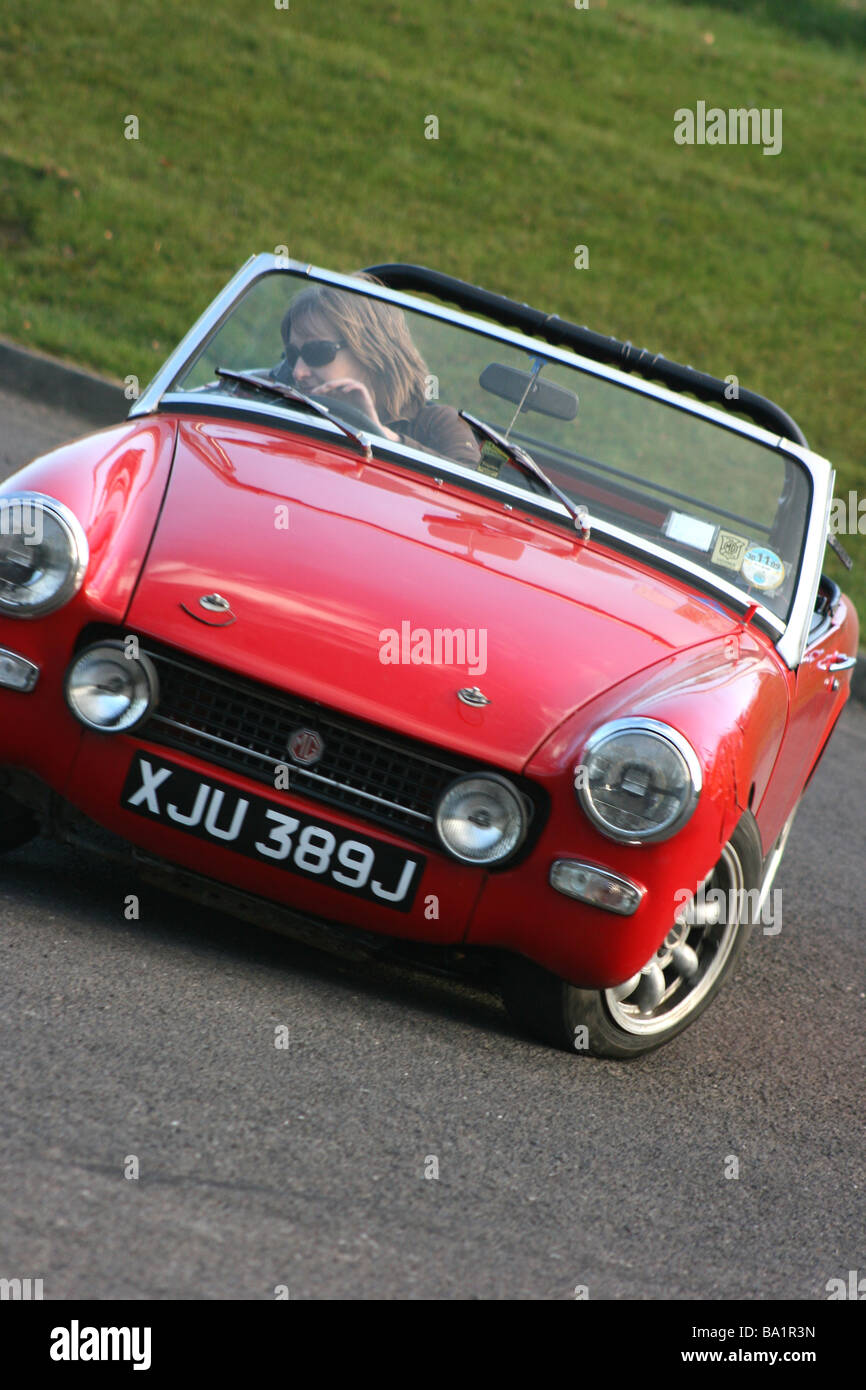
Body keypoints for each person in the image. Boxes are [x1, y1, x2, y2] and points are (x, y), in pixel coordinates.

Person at [278, 274, 481, 467]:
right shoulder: (279, 399)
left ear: (369, 351)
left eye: (317, 352)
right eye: (293, 354)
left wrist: (381, 434)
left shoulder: (440, 424)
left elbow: (474, 492)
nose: (298, 371)